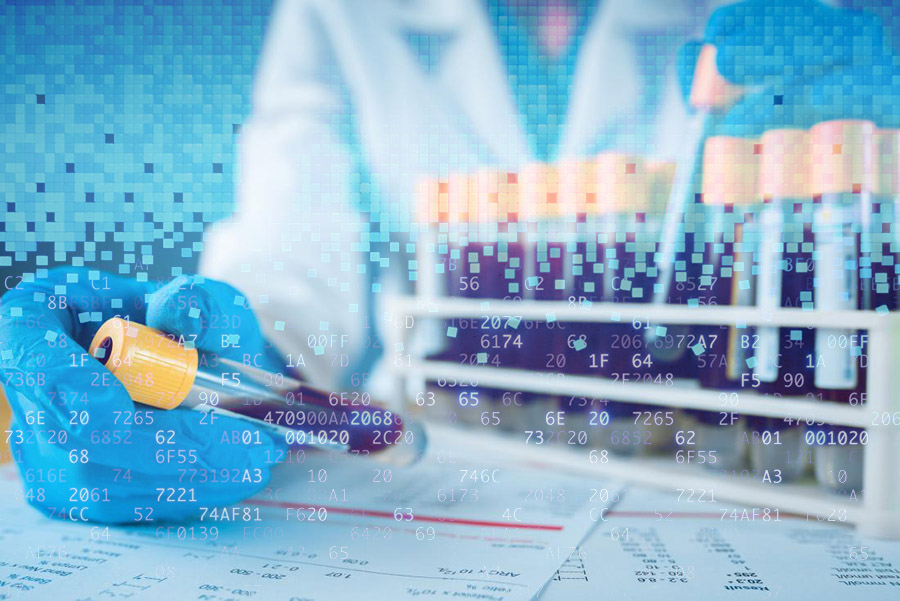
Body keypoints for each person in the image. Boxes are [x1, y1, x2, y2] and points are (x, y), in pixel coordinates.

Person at [0, 0, 894, 523]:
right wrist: (231, 359)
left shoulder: (781, 22)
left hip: (732, 460)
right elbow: (289, 255)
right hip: (448, 442)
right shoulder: (342, 14)